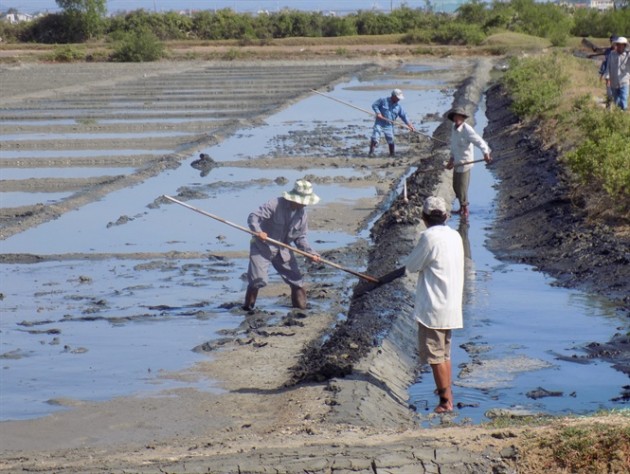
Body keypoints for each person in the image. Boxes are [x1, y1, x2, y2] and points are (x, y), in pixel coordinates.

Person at [404, 196, 464, 414]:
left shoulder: (428, 237)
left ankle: (445, 402)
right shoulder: (455, 235)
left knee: (436, 356)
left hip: (434, 306)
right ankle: (448, 396)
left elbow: (412, 265)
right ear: (446, 216)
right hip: (451, 304)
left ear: (424, 218)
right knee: (445, 354)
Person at [243, 179, 321, 311]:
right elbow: (253, 217)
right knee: (257, 280)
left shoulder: (302, 215)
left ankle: (301, 310)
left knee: (297, 281)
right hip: (263, 246)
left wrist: (310, 252)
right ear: (293, 198)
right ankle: (247, 309)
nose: (304, 204)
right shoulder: (275, 204)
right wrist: (258, 232)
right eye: (302, 201)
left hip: (283, 249)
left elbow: (300, 237)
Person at [445, 107, 492, 219]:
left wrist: (485, 153)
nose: (457, 119)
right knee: (455, 186)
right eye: (455, 117)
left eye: (459, 117)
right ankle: (461, 207)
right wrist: (451, 160)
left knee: (462, 188)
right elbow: (454, 147)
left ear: (462, 118)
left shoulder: (467, 129)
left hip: (465, 163)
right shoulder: (454, 129)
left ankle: (465, 209)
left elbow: (479, 141)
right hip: (457, 162)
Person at [368, 89, 415, 157]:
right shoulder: (383, 100)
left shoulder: (398, 107)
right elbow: (374, 105)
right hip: (380, 122)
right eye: (397, 98)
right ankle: (371, 153)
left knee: (390, 138)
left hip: (389, 125)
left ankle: (392, 154)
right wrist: (378, 113)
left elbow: (404, 116)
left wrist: (410, 125)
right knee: (376, 135)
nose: (398, 100)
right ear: (393, 96)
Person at [605, 36, 629, 111]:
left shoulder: (628, 55)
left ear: (625, 46)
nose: (619, 46)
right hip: (613, 82)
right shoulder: (612, 54)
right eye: (618, 44)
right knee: (616, 100)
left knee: (624, 98)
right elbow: (608, 67)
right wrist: (607, 78)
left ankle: (623, 113)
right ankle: (619, 113)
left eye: (621, 45)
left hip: (624, 81)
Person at [599, 35, 618, 109]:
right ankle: (608, 106)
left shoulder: (621, 52)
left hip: (618, 74)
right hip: (608, 73)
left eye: (614, 41)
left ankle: (618, 107)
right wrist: (601, 73)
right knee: (609, 90)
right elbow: (604, 62)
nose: (613, 43)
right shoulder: (608, 51)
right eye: (611, 41)